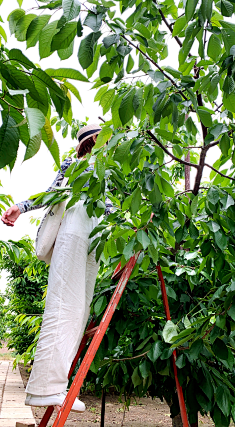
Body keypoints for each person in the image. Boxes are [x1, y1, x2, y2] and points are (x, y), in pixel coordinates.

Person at [1, 124, 112, 412]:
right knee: (65, 306)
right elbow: (52, 193)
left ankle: (57, 387)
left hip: (92, 238)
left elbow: (110, 207)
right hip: (73, 233)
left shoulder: (108, 169)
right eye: (104, 137)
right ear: (94, 139)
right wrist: (21, 207)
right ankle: (45, 390)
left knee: (80, 310)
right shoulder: (75, 163)